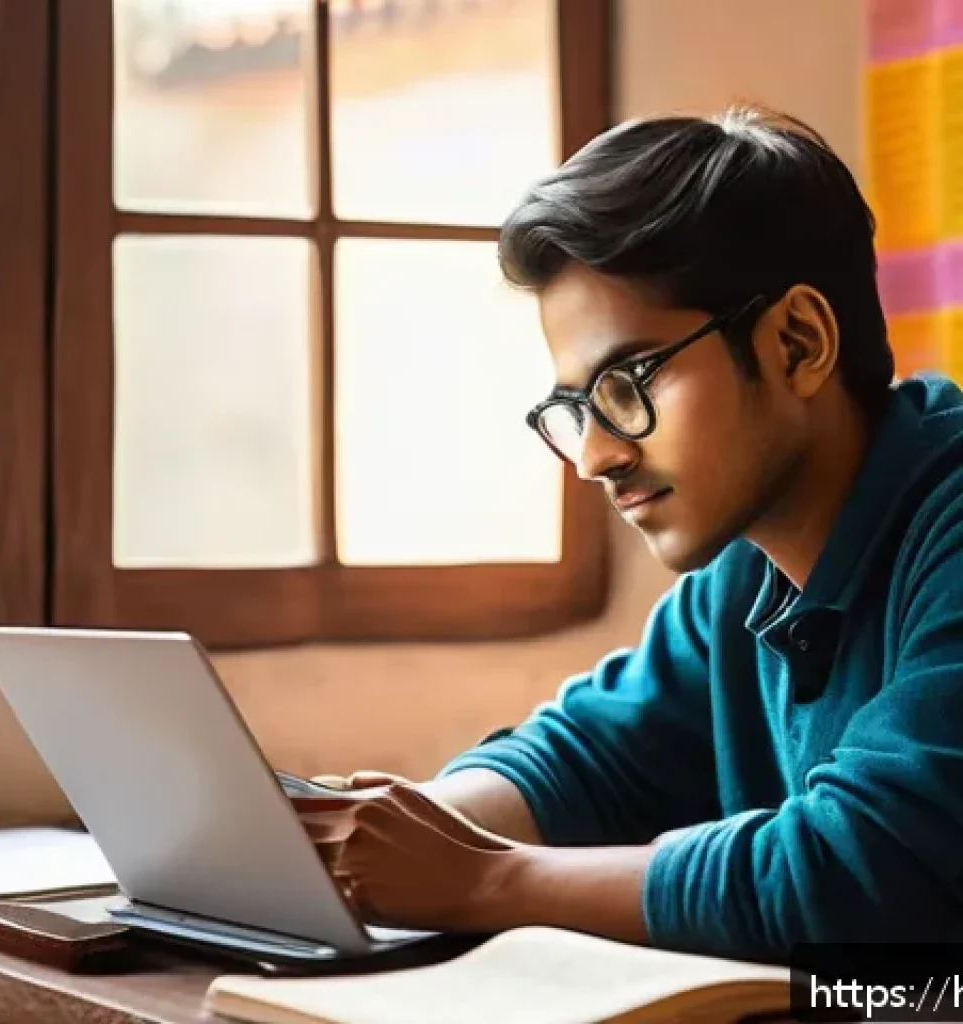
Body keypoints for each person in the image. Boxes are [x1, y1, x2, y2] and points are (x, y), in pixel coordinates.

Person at [293, 106, 963, 965]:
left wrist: (488, 882)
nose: (597, 457)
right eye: (575, 408)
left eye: (629, 381)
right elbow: (587, 761)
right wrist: (383, 835)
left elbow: (854, 869)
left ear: (798, 342)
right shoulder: (745, 571)